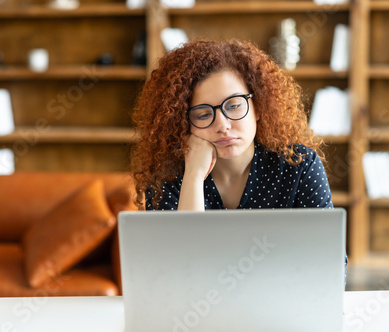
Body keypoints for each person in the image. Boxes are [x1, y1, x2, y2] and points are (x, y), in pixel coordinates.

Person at [130, 38, 347, 282]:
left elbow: (332, 267)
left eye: (234, 106)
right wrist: (193, 175)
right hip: (198, 316)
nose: (222, 125)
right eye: (202, 114)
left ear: (257, 107)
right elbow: (176, 275)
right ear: (184, 122)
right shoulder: (167, 176)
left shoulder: (298, 165)